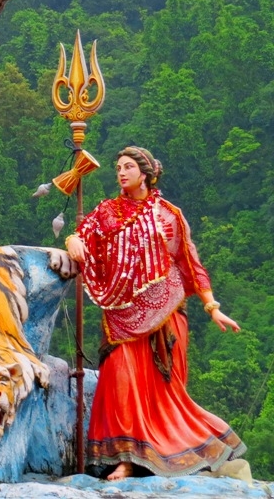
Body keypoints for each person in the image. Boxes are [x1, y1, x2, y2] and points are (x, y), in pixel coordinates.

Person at [65, 147, 246, 480]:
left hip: (165, 314)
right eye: (118, 167)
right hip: (120, 314)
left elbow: (190, 264)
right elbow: (85, 235)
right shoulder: (107, 211)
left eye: (129, 167)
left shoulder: (168, 214)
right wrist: (73, 238)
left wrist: (212, 307)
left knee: (163, 394)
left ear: (145, 173)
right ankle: (126, 457)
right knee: (119, 379)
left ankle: (148, 459)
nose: (121, 173)